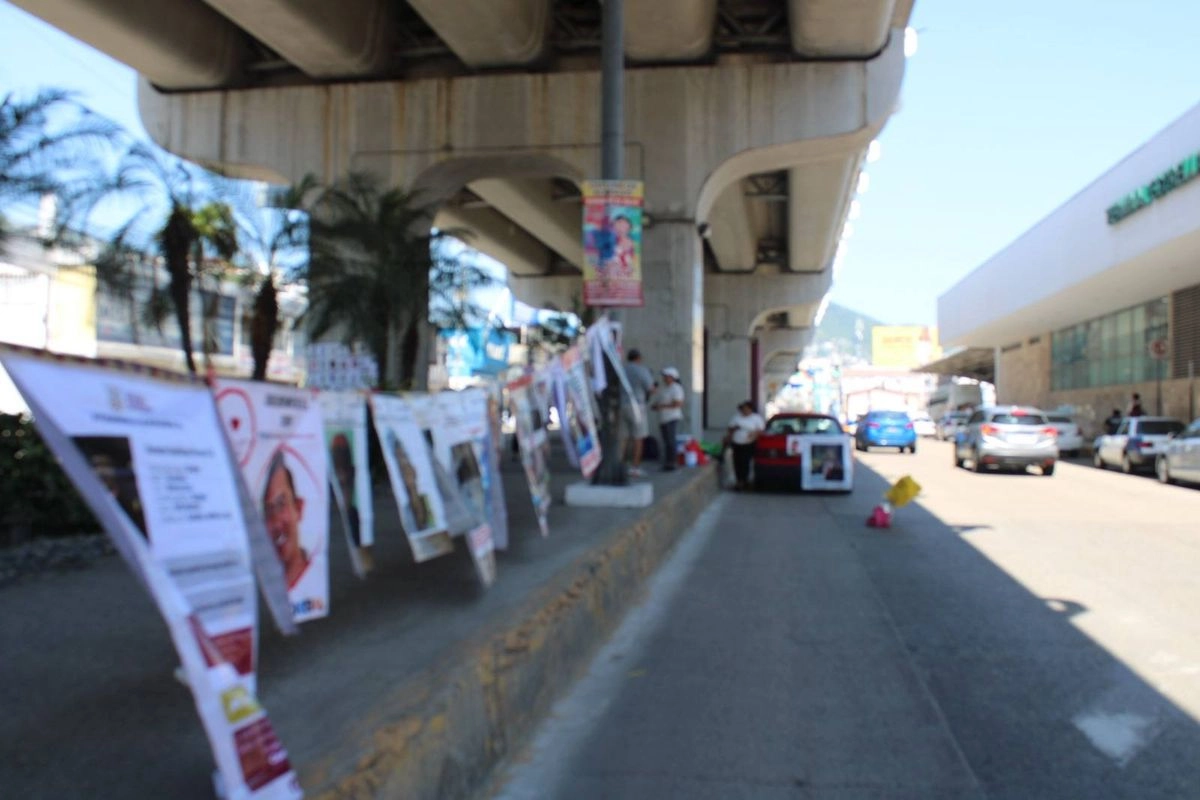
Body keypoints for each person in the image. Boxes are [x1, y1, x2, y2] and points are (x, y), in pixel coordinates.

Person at [262, 448, 309, 589]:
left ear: (299, 508)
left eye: (281, 504)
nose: (276, 523)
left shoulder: (312, 577)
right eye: (267, 510)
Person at [622, 348, 656, 477]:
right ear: (638, 358)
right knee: (638, 438)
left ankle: (621, 466)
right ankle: (635, 468)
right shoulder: (641, 370)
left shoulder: (622, 370)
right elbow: (650, 388)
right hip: (637, 406)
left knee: (624, 438)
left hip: (622, 406)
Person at [725, 400, 765, 490]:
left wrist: (753, 434)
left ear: (751, 409)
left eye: (747, 409)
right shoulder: (736, 418)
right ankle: (739, 481)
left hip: (749, 443)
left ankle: (745, 480)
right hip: (737, 442)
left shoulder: (756, 418)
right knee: (737, 461)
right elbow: (730, 428)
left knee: (745, 461)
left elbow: (760, 430)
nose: (745, 411)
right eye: (743, 409)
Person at [651, 366, 685, 471]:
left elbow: (678, 403)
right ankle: (667, 461)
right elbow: (659, 401)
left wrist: (662, 407)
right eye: (664, 376)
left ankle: (672, 462)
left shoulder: (676, 388)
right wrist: (656, 406)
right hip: (663, 418)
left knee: (671, 441)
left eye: (667, 376)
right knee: (666, 441)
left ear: (672, 377)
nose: (665, 378)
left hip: (672, 417)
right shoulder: (664, 388)